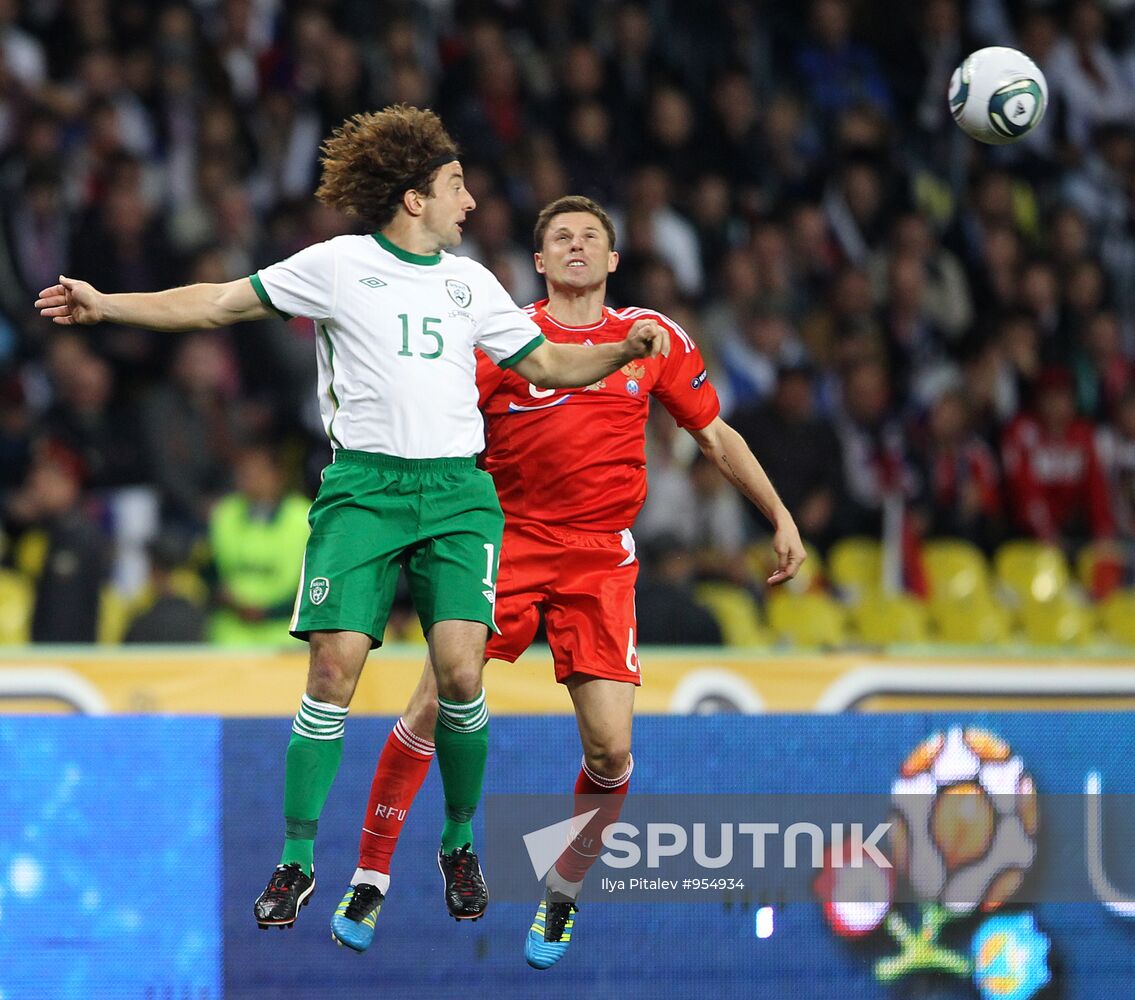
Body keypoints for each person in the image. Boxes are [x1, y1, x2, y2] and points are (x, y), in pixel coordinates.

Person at [35, 106, 670, 931]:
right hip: (363, 491)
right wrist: (106, 305)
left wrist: (619, 352)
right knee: (332, 672)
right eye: (455, 187)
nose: (470, 203)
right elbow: (221, 302)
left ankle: (457, 842)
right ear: (413, 199)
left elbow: (546, 361)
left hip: (455, 495)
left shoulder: (469, 281)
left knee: (462, 676)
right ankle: (297, 860)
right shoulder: (335, 266)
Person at [332, 195, 805, 967]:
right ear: (540, 261)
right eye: (561, 238)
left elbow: (713, 433)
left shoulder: (650, 338)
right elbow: (434, 435)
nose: (577, 246)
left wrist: (777, 515)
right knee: (435, 698)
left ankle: (561, 891)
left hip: (598, 558)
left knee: (612, 750)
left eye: (592, 237)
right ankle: (370, 873)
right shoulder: (501, 338)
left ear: (613, 260)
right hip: (506, 540)